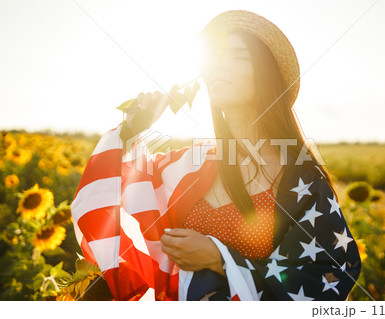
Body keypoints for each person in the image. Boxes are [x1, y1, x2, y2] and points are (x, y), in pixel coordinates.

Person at [71, 9, 361, 301]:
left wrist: (220, 259)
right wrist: (132, 129)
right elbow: (114, 194)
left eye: (238, 56)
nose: (220, 67)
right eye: (217, 57)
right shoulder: (187, 164)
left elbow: (325, 274)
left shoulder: (302, 179)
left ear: (268, 75)